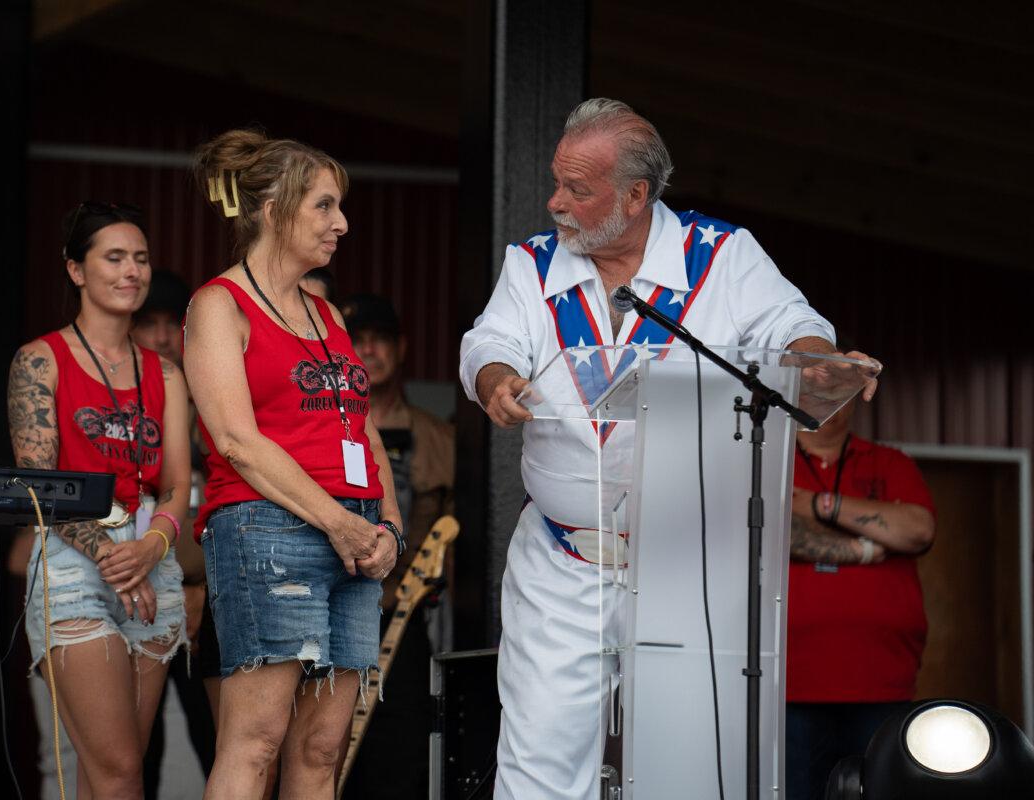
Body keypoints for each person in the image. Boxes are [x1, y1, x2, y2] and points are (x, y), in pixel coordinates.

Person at [459, 98, 873, 798]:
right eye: (558, 182)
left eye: (577, 190)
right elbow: (489, 340)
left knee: (695, 762)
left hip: (692, 561)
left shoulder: (722, 257)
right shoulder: (531, 264)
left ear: (636, 195)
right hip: (565, 557)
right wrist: (495, 378)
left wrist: (818, 359)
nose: (555, 202)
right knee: (540, 761)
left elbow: (791, 326)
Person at [184, 129, 401, 800]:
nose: (341, 223)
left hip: (356, 536)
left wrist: (388, 523)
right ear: (276, 205)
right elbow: (235, 441)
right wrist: (338, 522)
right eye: (325, 206)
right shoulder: (219, 304)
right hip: (269, 531)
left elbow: (362, 429)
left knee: (322, 747)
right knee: (256, 742)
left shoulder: (327, 311)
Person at [7, 201, 191, 800]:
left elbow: (176, 485)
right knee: (118, 770)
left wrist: (152, 545)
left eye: (140, 258)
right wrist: (114, 557)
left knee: (109, 770)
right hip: (72, 552)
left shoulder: (165, 373)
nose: (131, 271)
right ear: (76, 270)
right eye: (114, 257)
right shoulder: (40, 360)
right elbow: (42, 483)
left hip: (149, 552)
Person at [786, 395, 935, 799]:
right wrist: (865, 545)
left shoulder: (890, 463)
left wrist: (819, 505)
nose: (827, 400)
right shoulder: (770, 460)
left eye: (840, 390)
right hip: (788, 686)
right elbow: (776, 532)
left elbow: (917, 530)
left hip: (881, 684)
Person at [338, 293, 455, 798]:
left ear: (401, 347)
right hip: (333, 614)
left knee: (401, 748)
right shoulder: (324, 428)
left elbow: (457, 524)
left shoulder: (435, 436)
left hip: (401, 617)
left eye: (379, 341)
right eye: (356, 342)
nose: (369, 351)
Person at [132, 269, 216, 796]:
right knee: (134, 756)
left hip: (204, 606)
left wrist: (205, 586)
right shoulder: (115, 405)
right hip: (132, 598)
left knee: (221, 747)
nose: (163, 337)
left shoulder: (216, 400)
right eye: (150, 324)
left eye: (173, 325)